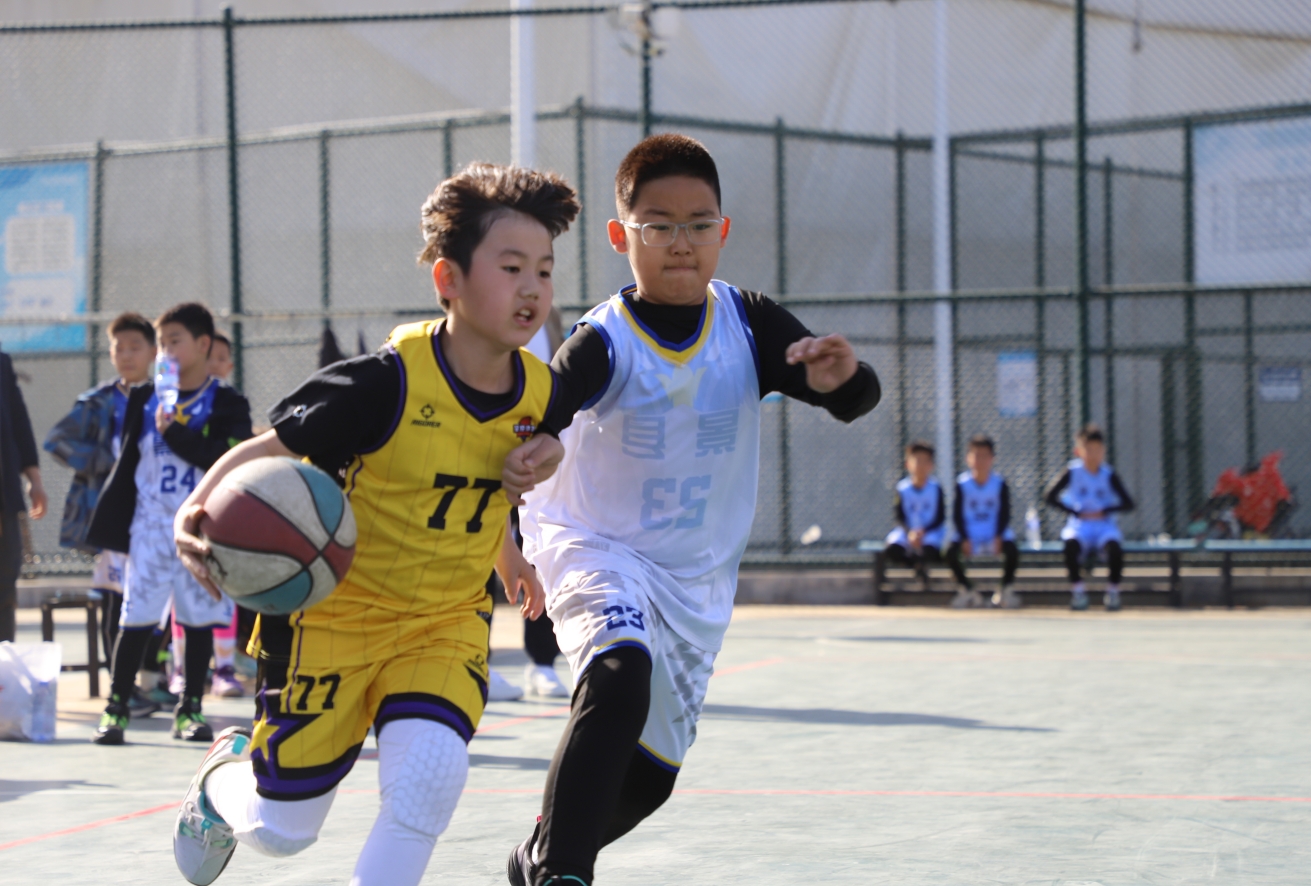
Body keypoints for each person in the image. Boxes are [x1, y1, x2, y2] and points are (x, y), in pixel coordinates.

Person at [167, 162, 576, 886]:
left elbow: (480, 482)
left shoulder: (540, 393)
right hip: (333, 619)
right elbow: (269, 447)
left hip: (443, 620)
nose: (532, 288)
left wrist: (510, 553)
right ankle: (220, 782)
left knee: (430, 777)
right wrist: (193, 507)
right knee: (281, 831)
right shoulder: (380, 383)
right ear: (448, 279)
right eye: (511, 267)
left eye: (544, 271)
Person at [509, 133, 881, 886]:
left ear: (722, 230)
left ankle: (536, 855)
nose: (681, 243)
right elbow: (541, 419)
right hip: (594, 545)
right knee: (619, 674)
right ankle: (561, 875)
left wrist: (844, 379)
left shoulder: (748, 322)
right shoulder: (601, 341)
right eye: (658, 226)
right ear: (620, 236)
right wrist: (532, 467)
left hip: (694, 580)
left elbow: (849, 398)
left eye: (698, 224)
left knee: (650, 780)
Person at [85, 303, 252, 745]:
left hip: (201, 527)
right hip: (151, 527)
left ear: (203, 344)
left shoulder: (227, 402)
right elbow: (128, 463)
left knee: (197, 619)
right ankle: (117, 707)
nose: (165, 351)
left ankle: (190, 709)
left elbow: (227, 457)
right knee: (136, 616)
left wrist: (176, 432)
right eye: (161, 343)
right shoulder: (145, 399)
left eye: (174, 341)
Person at [43, 312, 176, 710]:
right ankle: (122, 687)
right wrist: (108, 463)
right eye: (120, 348)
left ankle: (152, 678)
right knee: (117, 598)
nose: (127, 355)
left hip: (157, 513)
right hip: (116, 516)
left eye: (136, 347)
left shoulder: (166, 397)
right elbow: (57, 440)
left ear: (154, 352)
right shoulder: (99, 400)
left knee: (159, 598)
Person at [1044, 423, 1136, 611]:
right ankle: (1078, 592)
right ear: (1078, 451)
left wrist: (1105, 511)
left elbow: (1129, 503)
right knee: (1070, 546)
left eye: (1097, 450)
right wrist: (1075, 512)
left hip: (1104, 525)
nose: (1093, 454)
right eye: (1088, 449)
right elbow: (1049, 496)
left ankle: (1113, 593)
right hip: (1080, 525)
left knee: (1115, 549)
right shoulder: (1072, 471)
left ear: (1103, 451)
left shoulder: (1109, 474)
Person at [0, 346, 46, 643]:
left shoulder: (1, 364)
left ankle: (3, 662)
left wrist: (34, 479)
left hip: (3, 501)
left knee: (4, 588)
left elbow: (18, 422)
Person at [945, 434, 1020, 609]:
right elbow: (957, 515)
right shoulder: (962, 484)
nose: (980, 460)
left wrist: (998, 535)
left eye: (985, 456)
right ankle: (967, 590)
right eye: (976, 455)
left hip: (993, 533)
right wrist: (965, 538)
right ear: (968, 458)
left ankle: (1004, 590)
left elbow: (1005, 512)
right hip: (970, 534)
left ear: (992, 458)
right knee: (949, 551)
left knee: (1012, 549)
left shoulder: (999, 483)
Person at [883, 440, 947, 588]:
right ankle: (917, 566)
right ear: (908, 464)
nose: (920, 465)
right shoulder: (902, 488)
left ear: (931, 465)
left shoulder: (936, 488)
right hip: (908, 532)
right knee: (892, 550)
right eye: (917, 460)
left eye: (925, 461)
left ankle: (922, 567)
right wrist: (910, 532)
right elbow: (899, 518)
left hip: (930, 532)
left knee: (930, 550)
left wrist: (923, 532)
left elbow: (940, 518)